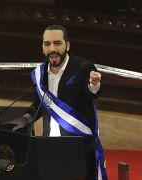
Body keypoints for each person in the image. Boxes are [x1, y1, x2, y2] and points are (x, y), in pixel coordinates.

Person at [7, 25, 108, 180]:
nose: (52, 49)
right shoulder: (39, 73)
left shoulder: (83, 67)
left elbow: (91, 93)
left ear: (67, 45)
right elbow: (39, 105)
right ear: (42, 47)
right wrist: (26, 119)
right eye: (47, 44)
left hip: (78, 145)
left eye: (57, 43)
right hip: (49, 145)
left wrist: (94, 84)